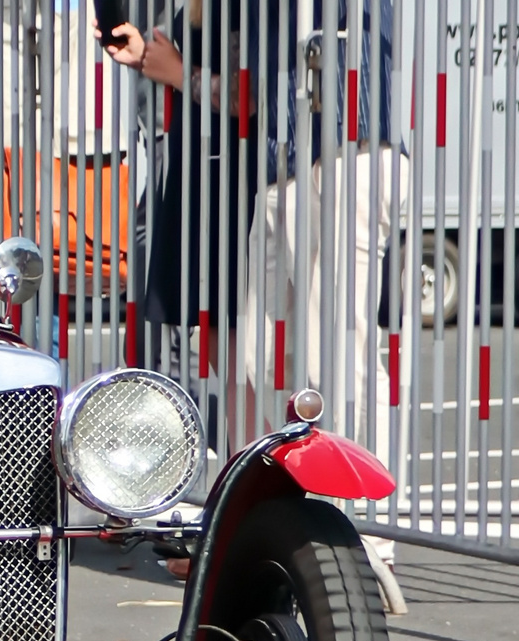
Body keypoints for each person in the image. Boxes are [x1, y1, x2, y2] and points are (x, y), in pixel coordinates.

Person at [106, 0, 403, 458]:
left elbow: (245, 92)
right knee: (257, 356)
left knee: (343, 352)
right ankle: (284, 482)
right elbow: (257, 87)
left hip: (346, 149)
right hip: (279, 163)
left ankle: (367, 515)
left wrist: (182, 73)